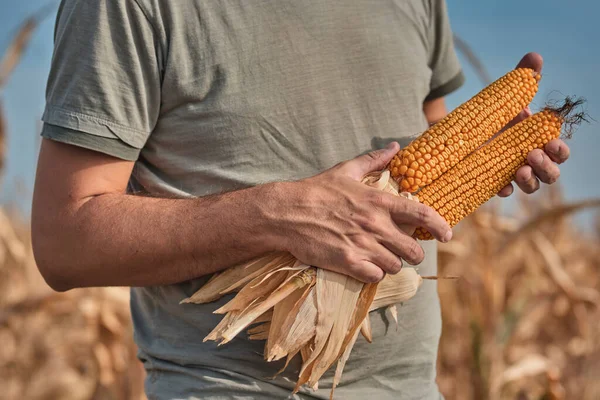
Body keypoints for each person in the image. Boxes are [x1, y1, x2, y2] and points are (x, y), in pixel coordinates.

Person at [31, 1, 569, 399]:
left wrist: (489, 155)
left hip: (412, 387)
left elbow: (427, 140)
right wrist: (279, 216)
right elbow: (65, 241)